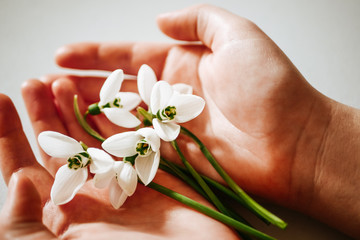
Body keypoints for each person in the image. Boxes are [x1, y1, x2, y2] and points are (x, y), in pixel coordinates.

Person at [0, 4, 359, 239]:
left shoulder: (157, 124)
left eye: (78, 158)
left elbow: (158, 129)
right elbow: (132, 149)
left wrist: (319, 146)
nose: (78, 160)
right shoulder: (122, 146)